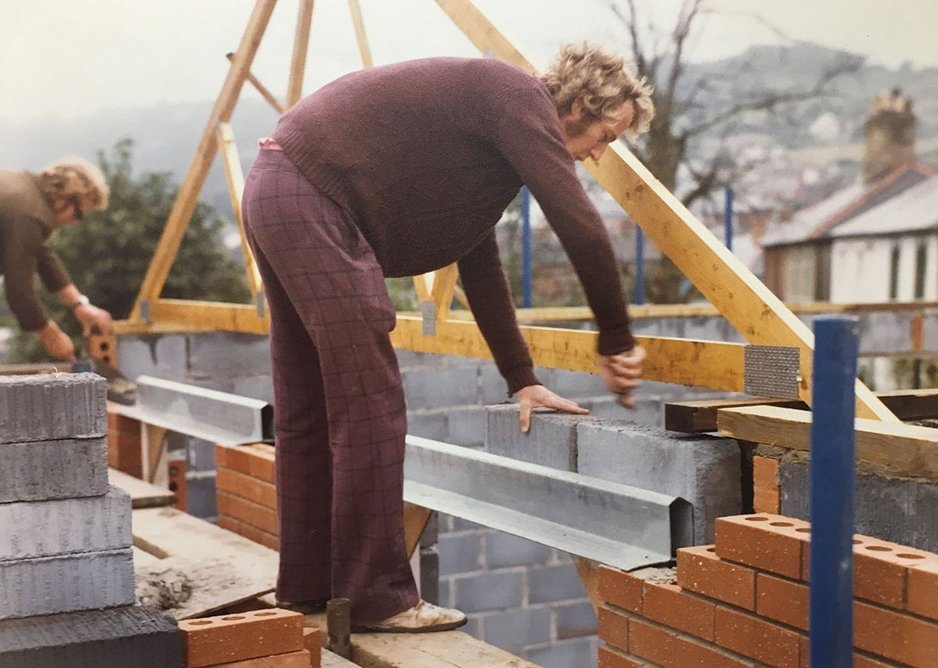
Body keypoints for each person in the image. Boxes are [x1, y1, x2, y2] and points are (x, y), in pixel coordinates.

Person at [242, 43, 654, 632]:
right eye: (607, 135)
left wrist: (523, 380)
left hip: (278, 190)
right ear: (582, 103)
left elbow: (476, 258)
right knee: (371, 405)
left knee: (309, 403)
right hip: (313, 198)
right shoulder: (518, 98)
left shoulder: (493, 133)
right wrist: (616, 339)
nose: (598, 153)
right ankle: (378, 599)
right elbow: (582, 229)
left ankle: (308, 587)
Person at [0, 157, 114, 360]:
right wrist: (50, 334)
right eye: (78, 214)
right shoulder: (29, 214)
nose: (75, 223)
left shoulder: (26, 187)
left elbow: (42, 255)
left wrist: (80, 305)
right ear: (64, 198)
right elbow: (19, 291)